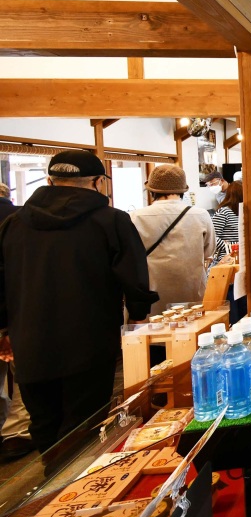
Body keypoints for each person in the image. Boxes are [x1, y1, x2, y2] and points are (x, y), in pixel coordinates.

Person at [0, 151, 157, 453]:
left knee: (43, 425)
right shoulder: (111, 221)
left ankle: (52, 489)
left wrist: (4, 330)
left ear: (49, 181)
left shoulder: (14, 224)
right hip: (90, 341)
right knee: (84, 427)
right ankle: (73, 493)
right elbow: (135, 276)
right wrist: (139, 316)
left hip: (30, 343)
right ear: (98, 182)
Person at [130, 165, 215, 316]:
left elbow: (131, 257)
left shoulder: (135, 217)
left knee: (155, 335)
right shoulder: (201, 215)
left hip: (152, 296)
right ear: (183, 190)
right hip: (192, 293)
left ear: (152, 191)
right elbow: (209, 251)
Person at [0, 182, 31, 461]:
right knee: (18, 375)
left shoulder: (17, 222)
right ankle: (16, 432)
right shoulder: (21, 220)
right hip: (20, 311)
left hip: (9, 312)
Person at [212, 180, 243, 264]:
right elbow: (212, 237)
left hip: (243, 255)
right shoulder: (224, 212)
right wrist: (230, 246)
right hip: (227, 258)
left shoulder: (244, 212)